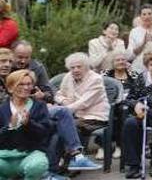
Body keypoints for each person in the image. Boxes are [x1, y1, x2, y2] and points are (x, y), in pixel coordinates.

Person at [12, 40, 101, 173]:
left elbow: (50, 93)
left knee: (58, 127)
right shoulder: (6, 68)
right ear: (12, 54)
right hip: (15, 111)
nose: (23, 61)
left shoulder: (37, 67)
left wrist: (43, 96)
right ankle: (75, 156)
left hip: (36, 108)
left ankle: (53, 169)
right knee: (63, 113)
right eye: (20, 57)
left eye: (27, 57)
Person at [0, 70, 51, 180]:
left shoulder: (39, 106)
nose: (26, 87)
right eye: (21, 84)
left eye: (29, 84)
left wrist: (29, 124)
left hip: (30, 154)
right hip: (4, 157)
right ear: (10, 88)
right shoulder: (2, 109)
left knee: (38, 165)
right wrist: (10, 127)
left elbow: (45, 133)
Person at [54, 53, 110, 150]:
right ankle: (60, 156)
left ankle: (76, 156)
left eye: (79, 67)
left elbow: (84, 103)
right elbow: (58, 94)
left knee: (68, 125)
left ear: (86, 67)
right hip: (73, 115)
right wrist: (64, 101)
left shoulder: (95, 79)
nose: (75, 70)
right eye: (72, 67)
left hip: (94, 117)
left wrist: (62, 110)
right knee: (52, 124)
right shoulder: (68, 77)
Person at [103, 50, 138, 160]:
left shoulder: (133, 74)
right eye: (117, 60)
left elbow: (139, 90)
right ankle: (104, 146)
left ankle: (121, 146)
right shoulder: (105, 74)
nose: (121, 62)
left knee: (124, 111)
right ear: (112, 62)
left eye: (123, 60)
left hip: (130, 104)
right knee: (118, 111)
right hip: (109, 104)